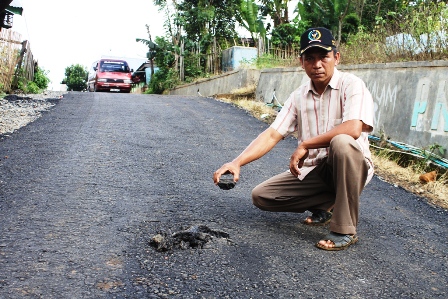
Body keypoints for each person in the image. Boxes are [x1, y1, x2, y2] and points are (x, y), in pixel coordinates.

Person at [213, 27, 374, 251]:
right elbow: (272, 134)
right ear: (302, 62)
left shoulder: (352, 85)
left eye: (323, 57)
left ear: (336, 58)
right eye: (310, 58)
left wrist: (307, 144)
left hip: (352, 167)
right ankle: (325, 205)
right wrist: (236, 162)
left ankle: (344, 229)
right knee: (262, 196)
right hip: (316, 171)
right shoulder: (298, 96)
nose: (317, 64)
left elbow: (354, 128)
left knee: (342, 142)